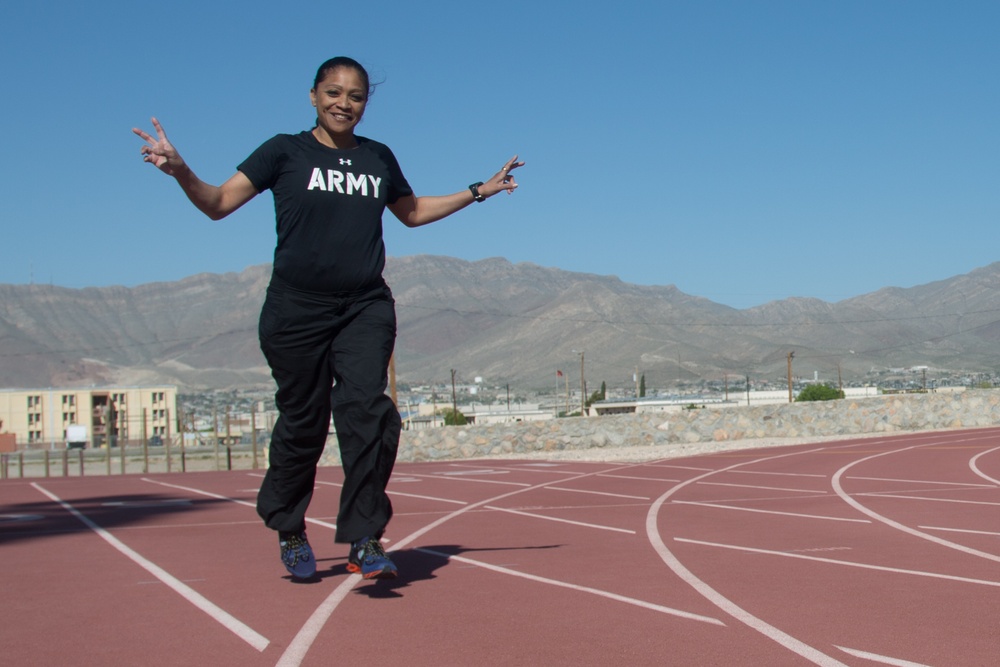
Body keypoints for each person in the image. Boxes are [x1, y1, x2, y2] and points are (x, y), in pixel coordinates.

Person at [133, 56, 523, 581]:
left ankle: (365, 537)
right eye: (334, 92)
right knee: (303, 423)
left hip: (363, 304)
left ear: (366, 103)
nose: (345, 103)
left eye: (356, 95)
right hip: (296, 309)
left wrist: (479, 190)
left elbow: (410, 213)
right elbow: (219, 202)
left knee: (369, 413)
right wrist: (180, 170)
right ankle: (291, 530)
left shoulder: (377, 157)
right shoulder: (283, 151)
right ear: (313, 96)